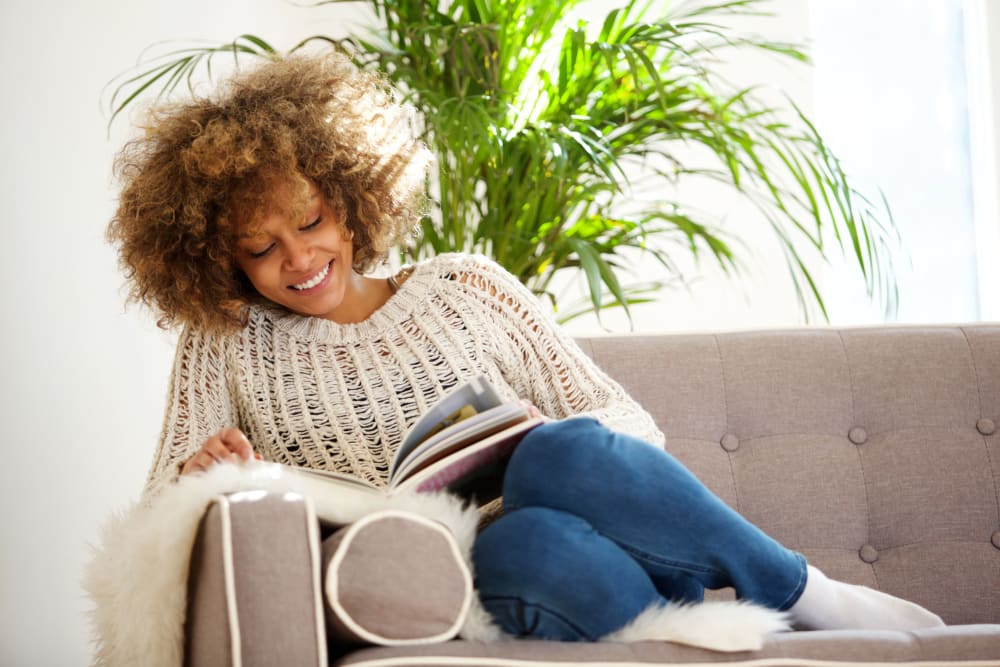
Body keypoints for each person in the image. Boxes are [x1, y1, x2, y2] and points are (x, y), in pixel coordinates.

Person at [108, 52, 944, 642]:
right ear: (216, 258)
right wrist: (199, 474)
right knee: (523, 543)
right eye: (259, 248)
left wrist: (528, 435)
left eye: (311, 220)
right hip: (489, 573)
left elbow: (621, 420)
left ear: (352, 196)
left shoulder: (466, 284)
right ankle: (683, 630)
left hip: (601, 527)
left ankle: (805, 590)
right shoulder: (225, 342)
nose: (297, 257)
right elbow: (156, 534)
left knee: (562, 452)